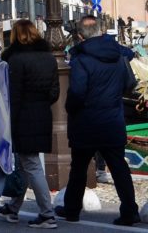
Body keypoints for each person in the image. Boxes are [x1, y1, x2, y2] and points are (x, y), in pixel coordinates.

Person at [58, 15, 139, 226]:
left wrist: (70, 108)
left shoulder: (81, 59)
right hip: (112, 119)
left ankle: (72, 210)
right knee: (119, 167)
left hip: (86, 121)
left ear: (79, 36)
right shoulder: (118, 54)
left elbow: (77, 92)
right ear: (101, 31)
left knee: (79, 168)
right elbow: (129, 83)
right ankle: (130, 210)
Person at [0, 18, 59, 228]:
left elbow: (13, 95)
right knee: (24, 163)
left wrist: (7, 124)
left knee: (30, 164)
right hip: (42, 113)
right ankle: (13, 207)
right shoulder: (49, 58)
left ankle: (47, 214)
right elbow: (54, 92)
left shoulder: (15, 60)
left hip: (22, 116)